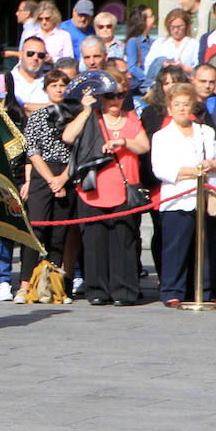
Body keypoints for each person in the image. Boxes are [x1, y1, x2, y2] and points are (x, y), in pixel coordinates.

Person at [61, 69, 149, 306]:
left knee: (124, 243)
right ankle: (97, 290)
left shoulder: (131, 119)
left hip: (123, 190)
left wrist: (123, 142)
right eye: (109, 96)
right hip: (93, 191)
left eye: (119, 95)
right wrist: (86, 109)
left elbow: (143, 146)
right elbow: (68, 137)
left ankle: (124, 291)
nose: (115, 101)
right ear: (101, 96)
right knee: (94, 243)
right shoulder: (92, 117)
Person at [152, 82, 216, 306]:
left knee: (208, 248)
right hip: (178, 198)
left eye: (185, 104)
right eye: (177, 104)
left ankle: (206, 290)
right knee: (176, 246)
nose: (182, 108)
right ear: (169, 108)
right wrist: (194, 172)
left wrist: (211, 164)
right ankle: (172, 290)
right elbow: (161, 169)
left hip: (206, 197)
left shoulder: (205, 131)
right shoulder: (162, 136)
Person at [13, 69, 76, 304]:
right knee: (36, 231)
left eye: (62, 85)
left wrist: (63, 179)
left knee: (59, 233)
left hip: (67, 173)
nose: (58, 89)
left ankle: (54, 286)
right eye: (54, 85)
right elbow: (32, 151)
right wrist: (51, 179)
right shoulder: (38, 116)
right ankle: (25, 285)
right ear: (46, 89)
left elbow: (79, 151)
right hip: (43, 174)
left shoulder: (74, 115)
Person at [146, 8, 199, 81]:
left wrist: (183, 67)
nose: (176, 30)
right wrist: (162, 64)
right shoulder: (160, 43)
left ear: (186, 26)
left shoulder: (194, 44)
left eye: (180, 27)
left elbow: (198, 70)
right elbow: (148, 65)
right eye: (173, 27)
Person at [11, 36, 51, 112]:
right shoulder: (7, 79)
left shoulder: (51, 82)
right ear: (21, 54)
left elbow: (56, 107)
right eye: (30, 53)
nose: (35, 58)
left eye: (41, 55)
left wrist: (24, 106)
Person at [124, 5, 156, 94]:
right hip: (140, 91)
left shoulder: (152, 42)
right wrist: (149, 79)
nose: (154, 18)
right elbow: (133, 68)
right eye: (151, 16)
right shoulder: (133, 41)